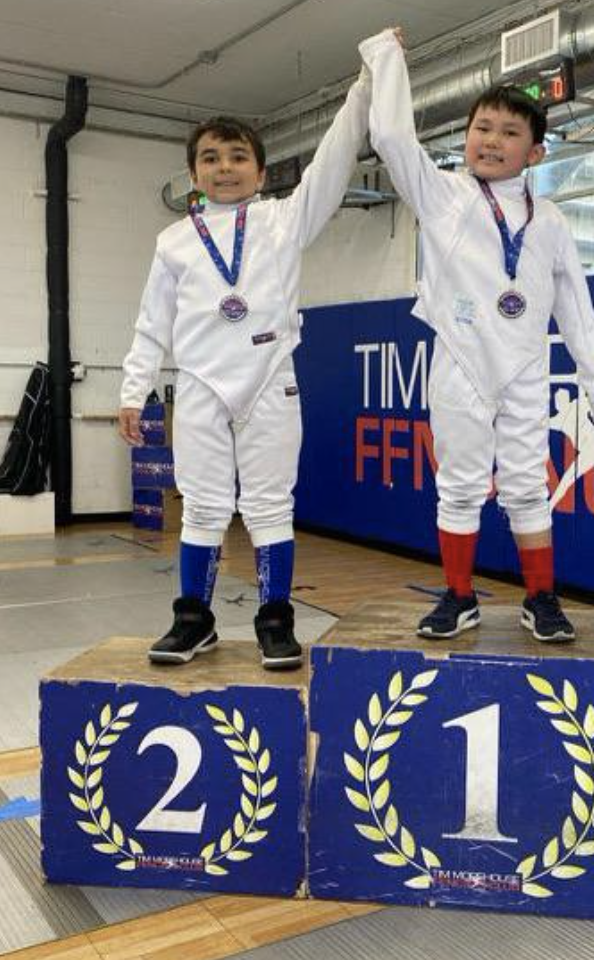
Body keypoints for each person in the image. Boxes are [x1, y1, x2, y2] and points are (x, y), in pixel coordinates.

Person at [359, 28, 594, 642]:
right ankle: (458, 596)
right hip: (460, 363)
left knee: (528, 487)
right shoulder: (444, 195)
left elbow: (577, 311)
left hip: (526, 367)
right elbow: (392, 137)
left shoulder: (550, 221)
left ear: (536, 152)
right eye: (482, 128)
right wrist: (387, 57)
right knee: (458, 487)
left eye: (509, 132)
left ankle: (541, 598)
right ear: (466, 136)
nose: (491, 141)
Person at [119, 73, 370, 667]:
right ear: (193, 174)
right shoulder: (173, 241)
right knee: (203, 507)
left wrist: (364, 87)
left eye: (237, 157)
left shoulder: (283, 221)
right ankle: (193, 621)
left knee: (269, 506)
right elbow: (152, 322)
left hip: (269, 380)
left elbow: (333, 165)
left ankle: (275, 621)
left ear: (260, 173)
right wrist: (134, 390)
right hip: (200, 385)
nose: (224, 167)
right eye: (210, 158)